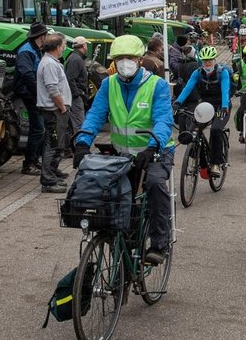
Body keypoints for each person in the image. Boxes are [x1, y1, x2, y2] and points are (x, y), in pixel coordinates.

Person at [74, 35, 175, 265]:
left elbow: (163, 120)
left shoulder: (156, 85)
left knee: (155, 184)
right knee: (111, 192)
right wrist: (82, 141)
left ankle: (160, 242)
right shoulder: (109, 84)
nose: (124, 63)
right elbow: (96, 115)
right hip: (124, 155)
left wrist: (152, 146)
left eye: (129, 58)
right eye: (119, 59)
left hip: (156, 152)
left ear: (139, 60)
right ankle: (123, 243)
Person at [176, 45, 231, 177]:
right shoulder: (197, 73)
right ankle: (203, 163)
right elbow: (187, 88)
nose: (207, 63)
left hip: (221, 106)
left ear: (214, 60)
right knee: (194, 129)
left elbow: (225, 90)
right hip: (206, 105)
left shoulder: (222, 72)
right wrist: (178, 102)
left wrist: (224, 107)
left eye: (210, 60)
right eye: (204, 61)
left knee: (215, 130)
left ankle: (217, 163)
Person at [36, 33, 72, 192]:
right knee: (53, 144)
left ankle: (53, 173)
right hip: (54, 110)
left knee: (58, 144)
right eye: (63, 45)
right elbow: (52, 88)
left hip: (57, 110)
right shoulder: (49, 64)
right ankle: (48, 180)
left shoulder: (51, 62)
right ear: (58, 47)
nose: (64, 48)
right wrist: (62, 107)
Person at [14, 22, 49, 175]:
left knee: (39, 128)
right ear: (41, 37)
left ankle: (34, 160)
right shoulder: (26, 52)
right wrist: (38, 92)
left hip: (33, 93)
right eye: (46, 35)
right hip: (29, 93)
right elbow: (27, 74)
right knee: (38, 128)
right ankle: (29, 163)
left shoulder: (35, 50)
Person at [65, 35, 90, 132]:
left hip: (77, 95)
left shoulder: (76, 58)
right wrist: (78, 95)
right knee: (79, 123)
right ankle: (79, 144)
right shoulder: (76, 59)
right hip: (76, 97)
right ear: (83, 46)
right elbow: (70, 79)